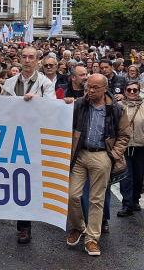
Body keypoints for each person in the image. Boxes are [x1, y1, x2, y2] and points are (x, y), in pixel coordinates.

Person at [67, 74, 130, 257]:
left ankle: (92, 239)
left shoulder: (116, 109)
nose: (91, 91)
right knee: (73, 195)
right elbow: (59, 116)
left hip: (102, 155)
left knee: (96, 199)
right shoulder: (79, 104)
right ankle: (79, 227)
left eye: (95, 88)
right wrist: (64, 103)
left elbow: (124, 136)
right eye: (88, 87)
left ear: (105, 88)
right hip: (79, 154)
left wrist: (112, 156)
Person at [2, 46, 56, 244]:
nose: (26, 60)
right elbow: (0, 108)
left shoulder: (44, 83)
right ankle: (19, 221)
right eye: (23, 57)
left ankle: (25, 226)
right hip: (13, 137)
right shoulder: (9, 82)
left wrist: (38, 100)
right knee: (14, 179)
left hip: (34, 137)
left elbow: (54, 109)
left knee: (27, 180)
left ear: (37, 60)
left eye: (31, 57)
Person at [116, 80, 144, 217]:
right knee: (126, 176)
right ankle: (127, 204)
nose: (132, 92)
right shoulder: (119, 106)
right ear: (125, 91)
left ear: (139, 91)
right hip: (124, 147)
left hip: (140, 147)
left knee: (138, 177)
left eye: (135, 90)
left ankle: (135, 200)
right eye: (129, 90)